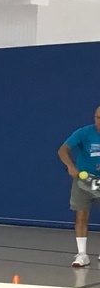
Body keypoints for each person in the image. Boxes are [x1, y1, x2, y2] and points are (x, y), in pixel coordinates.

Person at [58, 106, 100, 267]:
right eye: (98, 117)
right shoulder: (84, 133)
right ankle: (82, 254)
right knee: (81, 215)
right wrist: (71, 166)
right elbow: (62, 150)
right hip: (84, 180)